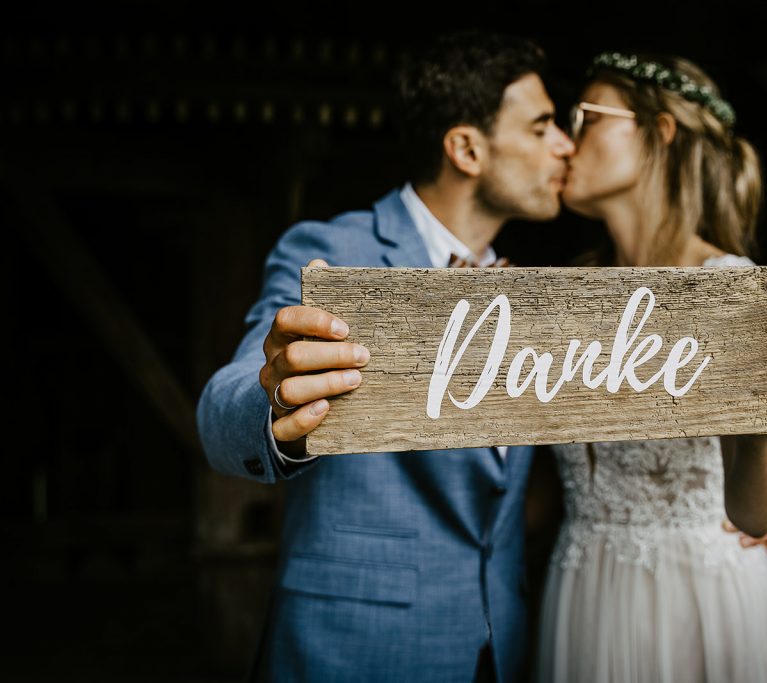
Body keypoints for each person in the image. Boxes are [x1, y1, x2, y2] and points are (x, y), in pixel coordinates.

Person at [196, 31, 573, 682]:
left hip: (505, 644)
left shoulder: (535, 292)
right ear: (466, 148)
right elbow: (225, 401)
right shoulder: (331, 250)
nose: (565, 144)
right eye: (542, 127)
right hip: (352, 644)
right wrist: (276, 396)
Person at [533, 52, 767, 682]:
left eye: (586, 117)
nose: (567, 142)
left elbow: (758, 516)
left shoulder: (733, 291)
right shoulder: (564, 294)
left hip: (699, 597)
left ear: (660, 132)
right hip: (582, 587)